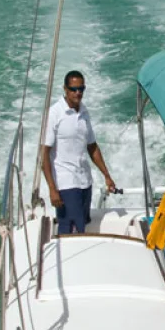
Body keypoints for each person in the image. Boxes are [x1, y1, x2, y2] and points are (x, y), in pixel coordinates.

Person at [40, 70, 117, 234]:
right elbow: (44, 154)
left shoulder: (84, 112)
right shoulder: (54, 114)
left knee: (82, 223)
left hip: (84, 180)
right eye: (74, 89)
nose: (78, 93)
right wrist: (52, 189)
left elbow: (92, 146)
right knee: (71, 228)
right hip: (65, 181)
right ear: (65, 89)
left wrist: (107, 176)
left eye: (81, 89)